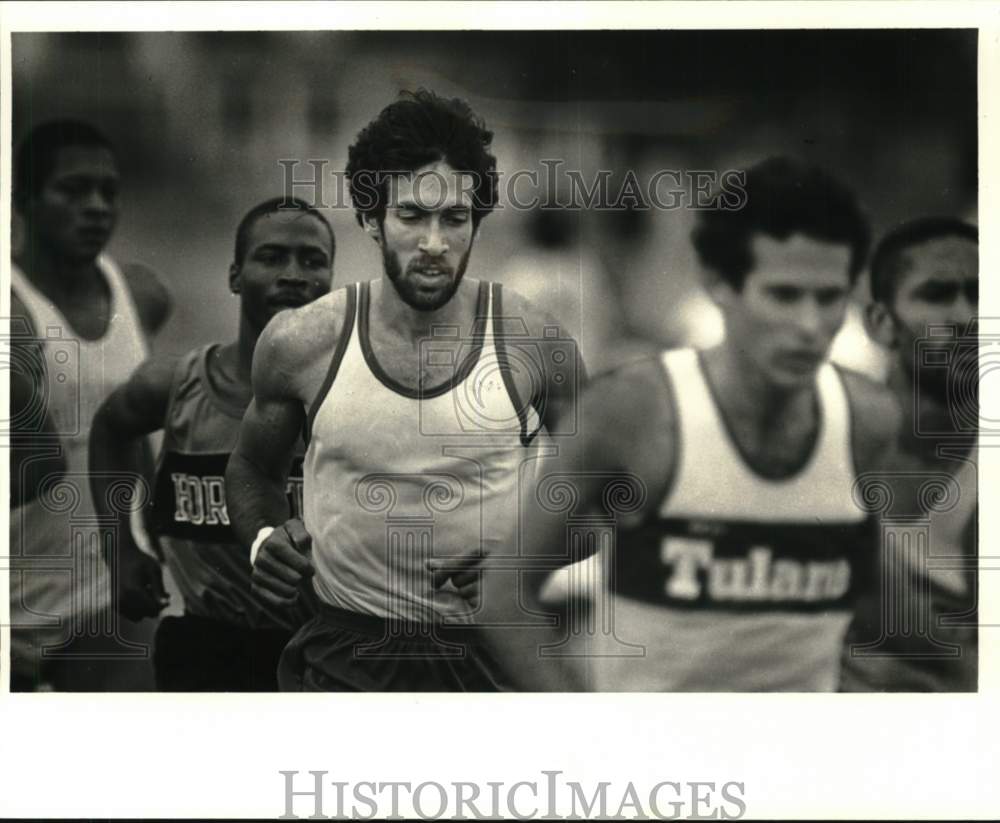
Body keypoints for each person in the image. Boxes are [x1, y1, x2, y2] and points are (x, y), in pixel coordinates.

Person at [487, 157, 901, 691]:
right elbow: (504, 594)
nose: (808, 326)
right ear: (718, 285)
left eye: (829, 298)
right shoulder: (631, 412)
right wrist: (583, 732)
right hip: (659, 768)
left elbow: (888, 612)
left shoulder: (869, 420)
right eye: (783, 295)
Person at [226, 90, 582, 692]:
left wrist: (533, 560)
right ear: (370, 218)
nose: (435, 243)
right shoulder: (303, 343)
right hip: (346, 651)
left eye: (455, 218)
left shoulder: (535, 342)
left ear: (478, 220)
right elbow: (252, 468)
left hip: (491, 658)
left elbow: (605, 492)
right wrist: (264, 537)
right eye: (413, 216)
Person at [88, 197, 334, 691]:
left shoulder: (346, 397)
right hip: (204, 646)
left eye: (312, 260)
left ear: (332, 281)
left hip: (316, 648)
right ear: (235, 275)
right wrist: (122, 548)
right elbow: (111, 429)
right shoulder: (179, 384)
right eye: (271, 257)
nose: (292, 274)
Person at [9, 119, 171, 691]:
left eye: (108, 192)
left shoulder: (144, 296)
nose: (97, 207)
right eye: (74, 190)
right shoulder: (13, 315)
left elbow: (141, 433)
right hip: (14, 603)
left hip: (111, 590)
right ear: (23, 199)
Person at [840, 217, 978, 692]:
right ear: (880, 322)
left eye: (981, 294)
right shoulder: (823, 443)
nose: (967, 317)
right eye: (938, 295)